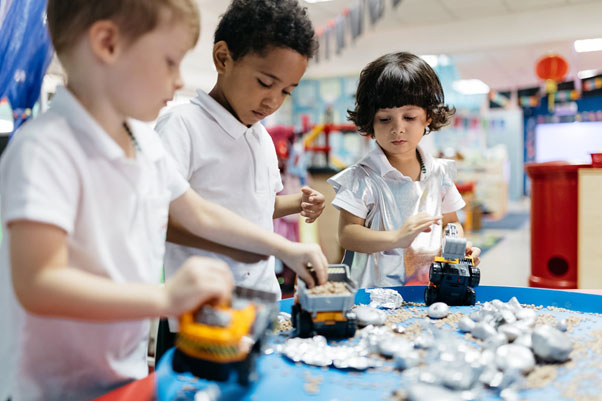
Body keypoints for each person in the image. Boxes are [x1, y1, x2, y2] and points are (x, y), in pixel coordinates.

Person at [0, 1, 327, 400]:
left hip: (124, 368)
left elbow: (199, 213)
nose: (178, 82)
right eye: (169, 62)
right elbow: (38, 282)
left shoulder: (142, 145)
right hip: (54, 386)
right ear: (107, 44)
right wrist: (165, 298)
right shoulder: (46, 149)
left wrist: (284, 247)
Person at [156, 0, 324, 302]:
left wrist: (296, 203)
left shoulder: (260, 137)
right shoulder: (182, 125)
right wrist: (241, 246)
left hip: (262, 300)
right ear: (223, 58)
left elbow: (256, 208)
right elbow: (158, 218)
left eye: (286, 91)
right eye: (265, 83)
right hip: (199, 308)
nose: (273, 101)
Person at [328, 52, 481, 289]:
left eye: (409, 117)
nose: (398, 129)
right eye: (384, 119)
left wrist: (460, 247)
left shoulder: (440, 173)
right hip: (374, 292)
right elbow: (347, 234)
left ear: (428, 117)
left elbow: (451, 223)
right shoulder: (362, 177)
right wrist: (396, 238)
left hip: (429, 287)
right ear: (370, 121)